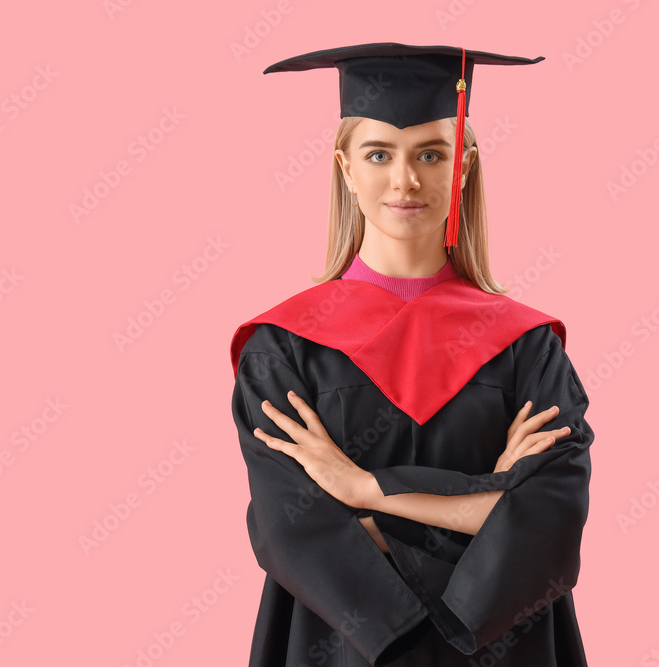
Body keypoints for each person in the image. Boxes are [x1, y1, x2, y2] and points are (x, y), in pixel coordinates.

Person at [230, 42, 594, 666]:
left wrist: (364, 491)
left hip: (499, 643)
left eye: (431, 153)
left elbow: (551, 524)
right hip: (341, 646)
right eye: (379, 155)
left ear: (466, 164)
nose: (406, 180)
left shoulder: (525, 347)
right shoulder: (285, 347)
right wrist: (486, 506)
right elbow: (290, 530)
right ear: (345, 168)